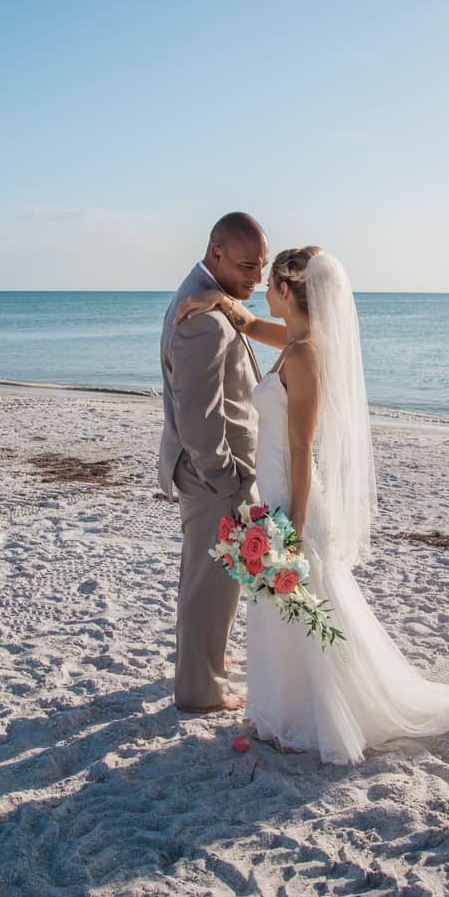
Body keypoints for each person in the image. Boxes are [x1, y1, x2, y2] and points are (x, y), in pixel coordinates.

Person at [176, 249, 449, 763]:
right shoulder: (296, 342)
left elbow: (303, 449)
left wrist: (293, 524)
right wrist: (217, 299)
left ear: (285, 290)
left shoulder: (305, 354)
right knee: (286, 608)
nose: (263, 289)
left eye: (269, 280)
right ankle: (281, 711)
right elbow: (251, 323)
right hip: (274, 494)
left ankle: (304, 716)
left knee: (303, 603)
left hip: (291, 497)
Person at [158, 212, 268, 713]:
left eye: (262, 267)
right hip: (212, 477)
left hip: (214, 473)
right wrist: (226, 478)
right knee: (210, 589)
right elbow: (198, 414)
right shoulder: (201, 319)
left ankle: (203, 671)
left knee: (211, 582)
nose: (257, 279)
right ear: (216, 253)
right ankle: (201, 691)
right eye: (248, 266)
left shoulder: (211, 297)